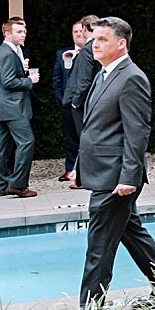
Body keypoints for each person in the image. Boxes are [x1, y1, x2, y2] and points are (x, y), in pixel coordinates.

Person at [74, 16, 155, 308]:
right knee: (133, 235)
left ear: (121, 44)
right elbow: (98, 128)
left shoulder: (132, 77)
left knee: (99, 247)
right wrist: (79, 169)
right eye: (94, 39)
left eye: (102, 39)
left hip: (116, 178)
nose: (95, 44)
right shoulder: (104, 73)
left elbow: (137, 132)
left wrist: (129, 178)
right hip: (103, 173)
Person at [0, 16, 39, 198]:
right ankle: (18, 184)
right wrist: (29, 80)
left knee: (1, 147)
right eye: (19, 31)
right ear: (7, 33)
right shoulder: (7, 53)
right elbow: (9, 81)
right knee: (27, 142)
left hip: (1, 106)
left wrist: (23, 71)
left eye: (24, 31)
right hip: (13, 106)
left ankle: (3, 185)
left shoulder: (2, 52)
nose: (24, 34)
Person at [60, 14, 101, 185]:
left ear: (85, 29)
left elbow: (83, 81)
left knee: (85, 141)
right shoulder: (100, 47)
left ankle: (83, 178)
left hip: (82, 104)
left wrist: (76, 102)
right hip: (95, 101)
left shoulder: (86, 50)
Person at [53, 16, 93, 183]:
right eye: (74, 31)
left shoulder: (93, 52)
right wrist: (63, 100)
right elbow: (57, 79)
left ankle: (84, 172)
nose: (78, 34)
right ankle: (70, 169)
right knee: (71, 138)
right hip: (68, 103)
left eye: (80, 31)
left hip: (84, 103)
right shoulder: (63, 53)